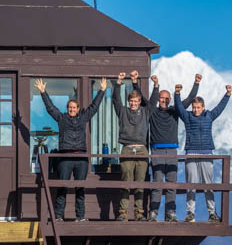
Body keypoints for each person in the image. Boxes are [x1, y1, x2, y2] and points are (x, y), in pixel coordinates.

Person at [35, 77, 107, 222]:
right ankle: (58, 216)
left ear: (78, 109)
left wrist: (102, 90)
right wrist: (43, 92)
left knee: (80, 188)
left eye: (74, 107)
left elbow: (94, 107)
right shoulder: (62, 118)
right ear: (67, 109)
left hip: (81, 158)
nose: (72, 110)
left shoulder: (83, 118)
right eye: (70, 108)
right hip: (65, 158)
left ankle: (80, 217)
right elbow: (51, 108)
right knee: (62, 187)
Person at [133, 74, 202, 222]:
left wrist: (196, 82)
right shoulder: (152, 111)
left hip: (172, 151)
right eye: (162, 98)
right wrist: (134, 82)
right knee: (157, 184)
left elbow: (190, 99)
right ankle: (153, 213)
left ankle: (170, 213)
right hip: (156, 151)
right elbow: (142, 99)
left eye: (166, 98)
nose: (164, 100)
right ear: (158, 99)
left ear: (170, 99)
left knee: (171, 185)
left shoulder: (174, 110)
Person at [174, 82, 232, 222]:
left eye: (198, 107)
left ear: (203, 107)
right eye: (194, 107)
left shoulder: (209, 116)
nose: (195, 110)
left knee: (208, 185)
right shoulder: (187, 117)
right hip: (191, 153)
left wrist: (227, 94)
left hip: (206, 153)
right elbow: (179, 107)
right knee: (191, 185)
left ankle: (212, 213)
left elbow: (220, 108)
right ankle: (190, 214)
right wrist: (177, 93)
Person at [112, 70, 159, 221]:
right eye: (131, 101)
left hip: (142, 150)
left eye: (136, 101)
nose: (133, 103)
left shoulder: (146, 112)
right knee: (126, 181)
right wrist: (118, 83)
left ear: (139, 102)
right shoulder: (123, 111)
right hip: (126, 148)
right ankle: (123, 213)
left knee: (140, 183)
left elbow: (152, 102)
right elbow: (116, 100)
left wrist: (156, 86)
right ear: (129, 101)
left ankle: (139, 213)